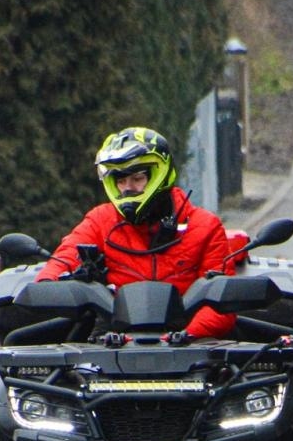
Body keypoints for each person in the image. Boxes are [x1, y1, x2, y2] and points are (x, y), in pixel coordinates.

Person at [36, 126, 234, 339]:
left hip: (190, 348)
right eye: (120, 181)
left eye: (137, 178)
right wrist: (47, 285)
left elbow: (223, 302)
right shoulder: (100, 220)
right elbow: (65, 259)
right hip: (113, 346)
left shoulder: (205, 226)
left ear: (160, 173)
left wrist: (181, 337)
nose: (127, 188)